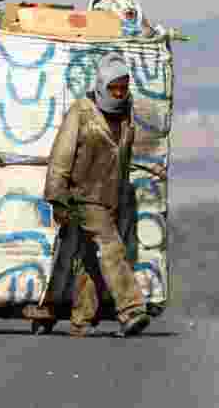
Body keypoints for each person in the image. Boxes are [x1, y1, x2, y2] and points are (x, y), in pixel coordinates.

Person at [41, 53, 151, 338]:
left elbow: (123, 160)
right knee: (112, 248)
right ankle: (132, 310)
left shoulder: (125, 114)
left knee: (91, 259)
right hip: (84, 196)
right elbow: (61, 156)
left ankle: (80, 320)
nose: (118, 93)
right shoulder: (82, 111)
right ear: (102, 85)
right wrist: (57, 197)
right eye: (114, 87)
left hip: (110, 199)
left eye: (123, 87)